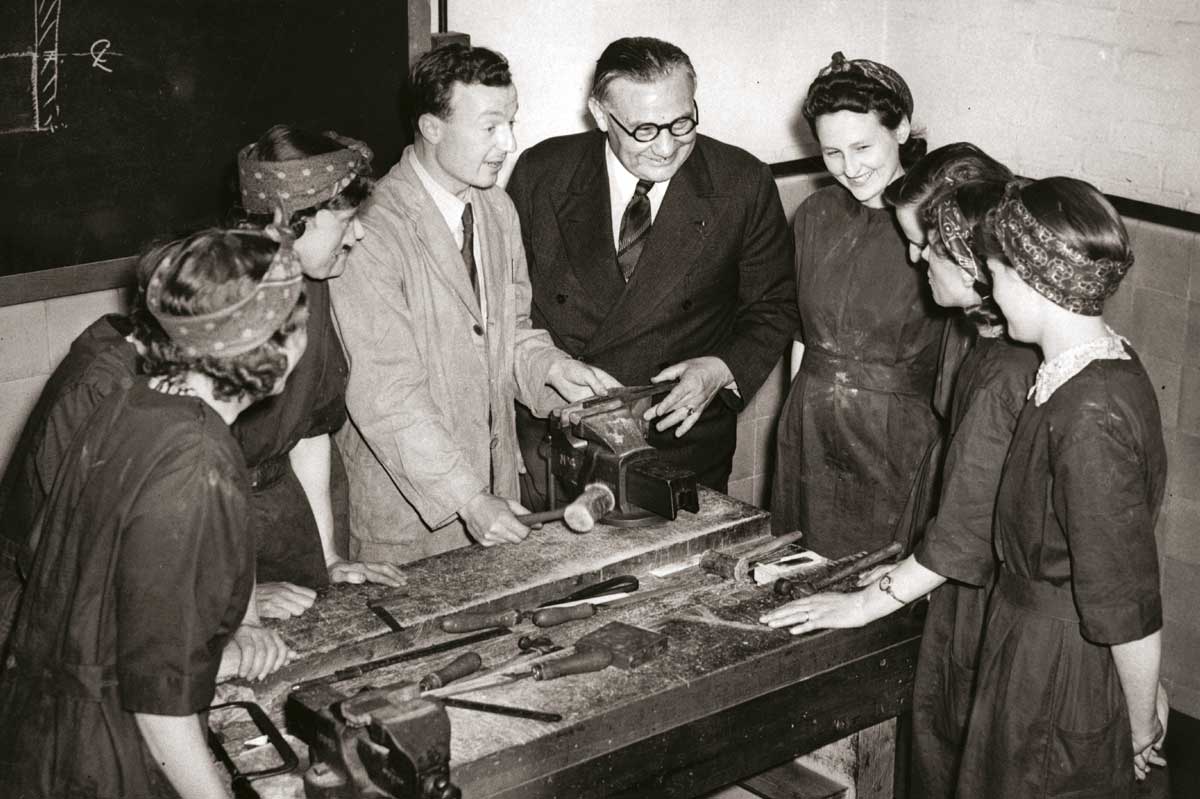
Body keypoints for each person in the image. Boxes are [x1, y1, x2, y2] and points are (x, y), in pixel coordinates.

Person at [761, 154, 1038, 798]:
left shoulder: (1003, 369)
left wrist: (863, 603)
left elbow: (963, 529)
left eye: (924, 248)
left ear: (972, 258)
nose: (913, 262)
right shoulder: (995, 341)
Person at [0, 227, 308, 799]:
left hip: (43, 729)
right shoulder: (198, 462)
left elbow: (90, 588)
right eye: (299, 324)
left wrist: (207, 655)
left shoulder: (134, 399)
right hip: (104, 761)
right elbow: (158, 708)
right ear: (271, 349)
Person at [332, 44, 616, 563]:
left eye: (510, 123)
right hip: (413, 516)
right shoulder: (369, 231)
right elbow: (385, 394)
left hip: (494, 496)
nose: (508, 143)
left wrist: (552, 370)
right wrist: (466, 497)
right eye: (490, 127)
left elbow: (509, 330)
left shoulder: (496, 209)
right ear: (432, 127)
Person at [507, 36, 796, 501]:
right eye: (644, 129)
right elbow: (503, 304)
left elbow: (775, 305)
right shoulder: (543, 172)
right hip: (557, 438)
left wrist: (722, 368)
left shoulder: (741, 181)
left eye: (682, 122)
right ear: (601, 115)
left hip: (676, 444)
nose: (666, 146)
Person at [952, 177, 1168, 797]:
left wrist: (1139, 720)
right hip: (1041, 649)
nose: (990, 289)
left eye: (993, 271)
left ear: (1029, 279)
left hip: (1057, 669)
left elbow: (1123, 598)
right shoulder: (1102, 366)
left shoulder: (1088, 411)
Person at [771, 52, 944, 559]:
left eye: (863, 146)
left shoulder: (936, 225)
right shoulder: (815, 214)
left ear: (902, 128)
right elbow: (802, 337)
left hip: (899, 440)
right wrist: (792, 419)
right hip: (812, 430)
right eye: (831, 153)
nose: (849, 168)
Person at [234, 125, 403, 618]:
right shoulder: (223, 306)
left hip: (274, 514)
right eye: (347, 219)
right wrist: (237, 600)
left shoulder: (311, 282)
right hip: (208, 539)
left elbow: (310, 431)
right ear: (293, 224)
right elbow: (190, 488)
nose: (359, 232)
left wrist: (326, 558)